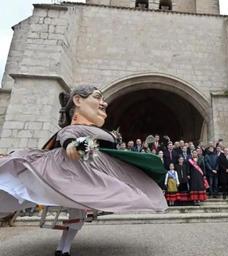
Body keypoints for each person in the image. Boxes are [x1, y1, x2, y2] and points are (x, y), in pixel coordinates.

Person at [0, 85, 167, 256]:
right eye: (97, 97)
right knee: (77, 214)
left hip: (89, 176)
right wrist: (72, 145)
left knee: (78, 217)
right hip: (75, 173)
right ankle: (63, 250)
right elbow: (68, 137)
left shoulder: (100, 133)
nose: (104, 103)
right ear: (78, 100)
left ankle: (63, 249)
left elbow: (97, 148)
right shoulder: (74, 130)